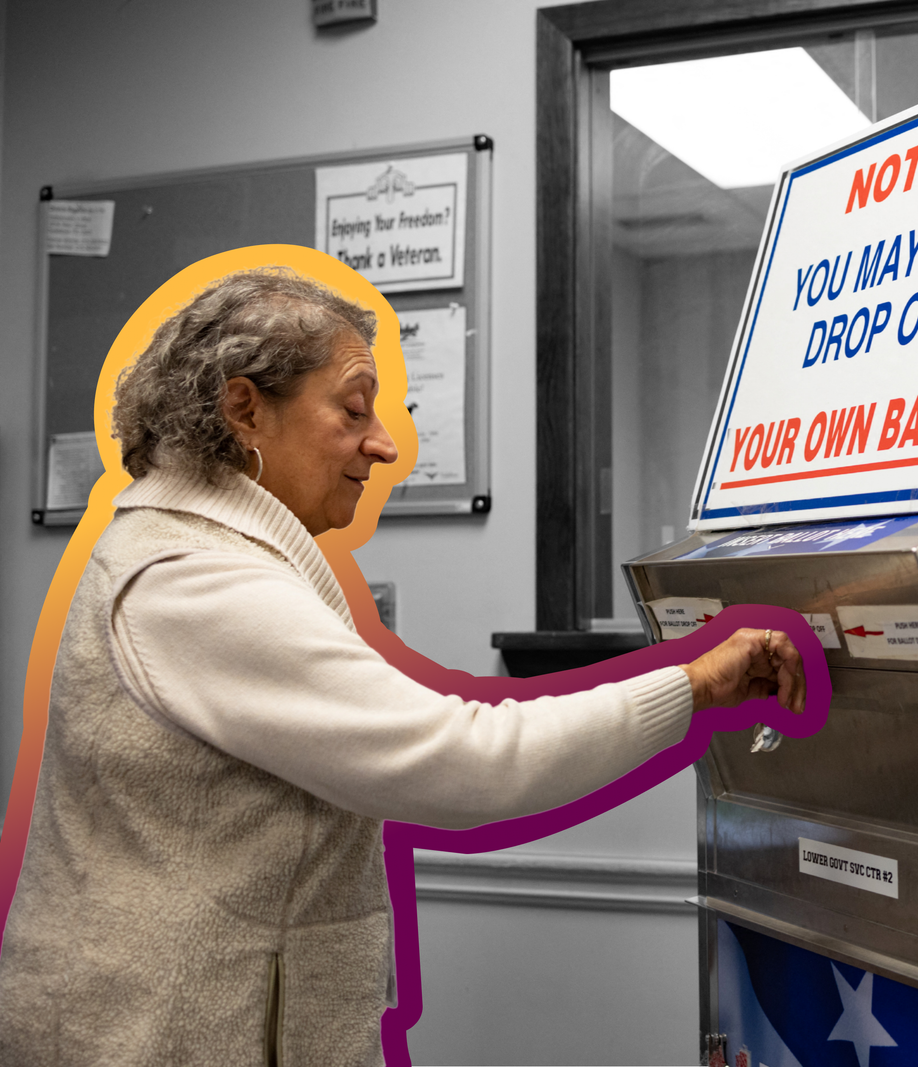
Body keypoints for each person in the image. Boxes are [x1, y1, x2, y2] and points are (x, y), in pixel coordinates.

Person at [0, 267, 805, 1065]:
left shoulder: (190, 554)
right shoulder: (190, 582)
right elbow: (467, 764)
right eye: (353, 409)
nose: (384, 444)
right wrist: (697, 683)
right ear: (244, 408)